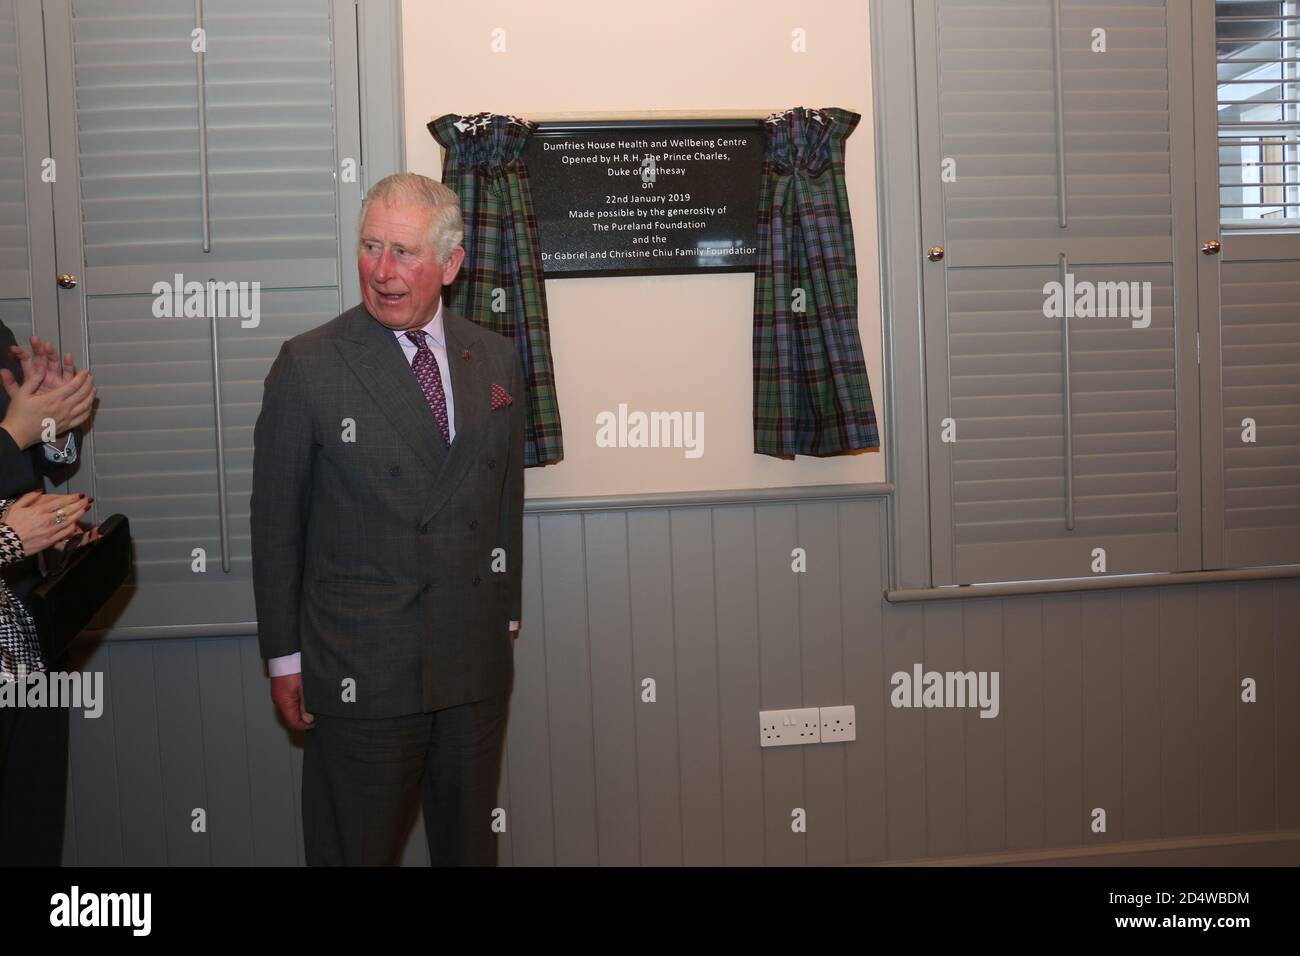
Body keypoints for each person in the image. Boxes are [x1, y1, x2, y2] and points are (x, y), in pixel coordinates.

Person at [251, 173, 525, 866]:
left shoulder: (495, 357)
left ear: (451, 264)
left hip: (472, 666)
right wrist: (285, 657)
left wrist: (507, 610)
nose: (382, 271)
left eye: (403, 252)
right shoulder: (309, 366)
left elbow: (504, 497)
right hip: (359, 673)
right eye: (370, 247)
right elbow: (276, 523)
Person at [0, 325, 96, 866]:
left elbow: (45, 461)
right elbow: (11, 439)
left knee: (31, 824)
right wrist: (13, 432)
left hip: (27, 626)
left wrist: (55, 419)